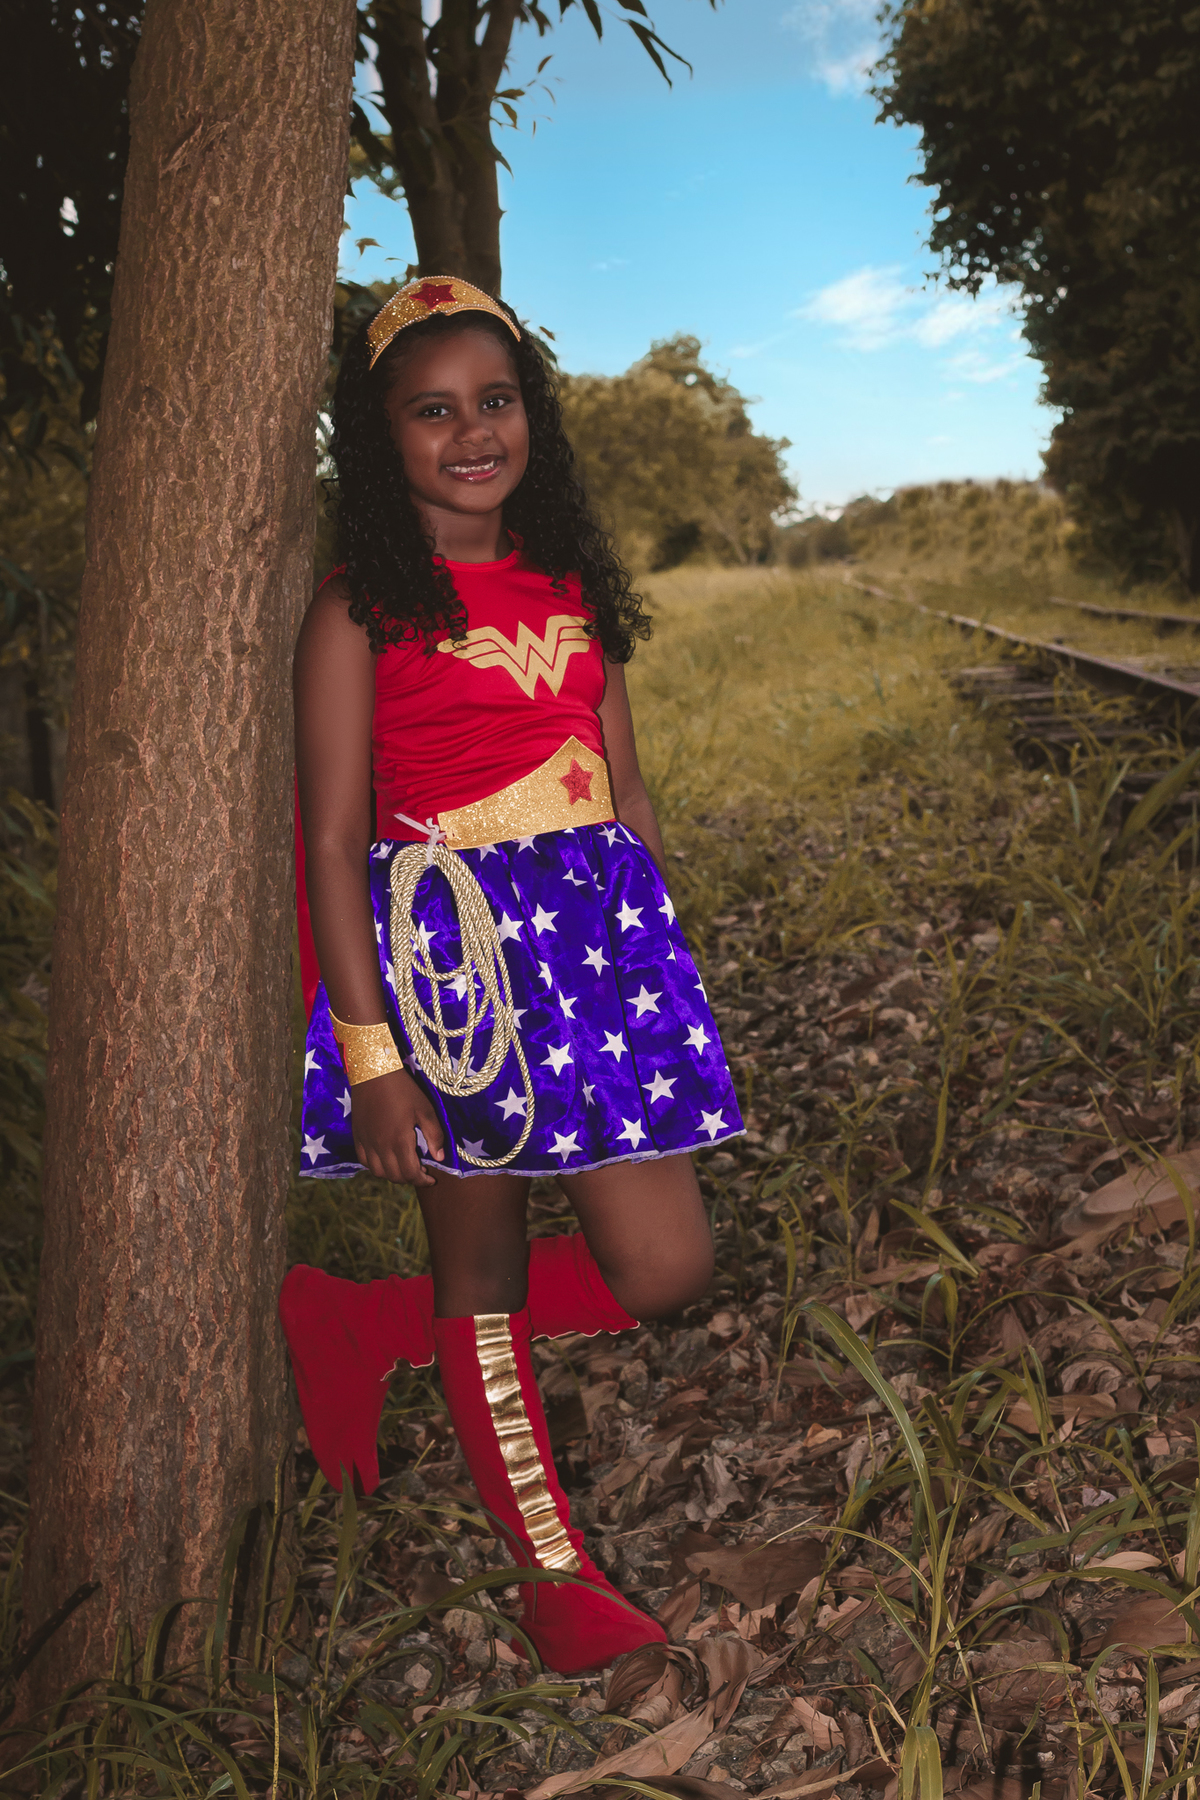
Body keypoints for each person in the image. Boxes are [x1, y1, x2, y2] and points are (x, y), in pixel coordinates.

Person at [281, 275, 744, 1675]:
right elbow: (333, 837)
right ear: (383, 440)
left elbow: (625, 790)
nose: (472, 432)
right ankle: (555, 1581)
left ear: (530, 413)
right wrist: (372, 1056)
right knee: (478, 1267)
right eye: (433, 411)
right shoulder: (359, 610)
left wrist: (665, 967)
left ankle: (362, 1320)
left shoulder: (571, 587)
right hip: (455, 973)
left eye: (495, 400)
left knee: (667, 1268)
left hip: (596, 962)